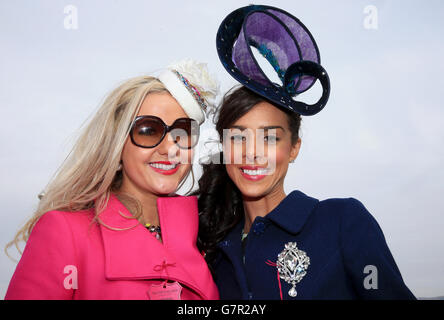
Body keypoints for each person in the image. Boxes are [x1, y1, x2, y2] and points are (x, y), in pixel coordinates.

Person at [196, 5, 416, 299]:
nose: (252, 153)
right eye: (238, 137)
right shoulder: (215, 250)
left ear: (294, 148)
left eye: (270, 138)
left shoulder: (341, 222)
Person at [5, 59, 220, 300]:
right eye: (148, 130)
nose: (170, 148)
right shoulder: (65, 232)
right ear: (116, 145)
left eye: (182, 131)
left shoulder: (207, 235)